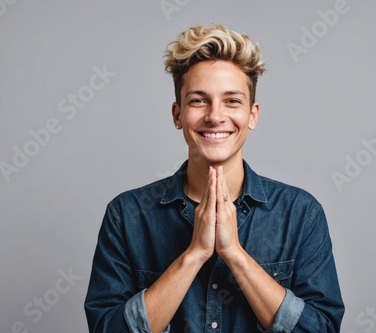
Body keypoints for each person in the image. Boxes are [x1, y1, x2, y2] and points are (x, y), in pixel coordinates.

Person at [84, 24, 344, 332]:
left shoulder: (301, 213)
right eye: (198, 100)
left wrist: (234, 254)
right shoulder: (126, 215)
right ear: (177, 115)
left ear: (252, 114)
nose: (215, 116)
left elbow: (322, 329)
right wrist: (194, 255)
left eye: (232, 101)